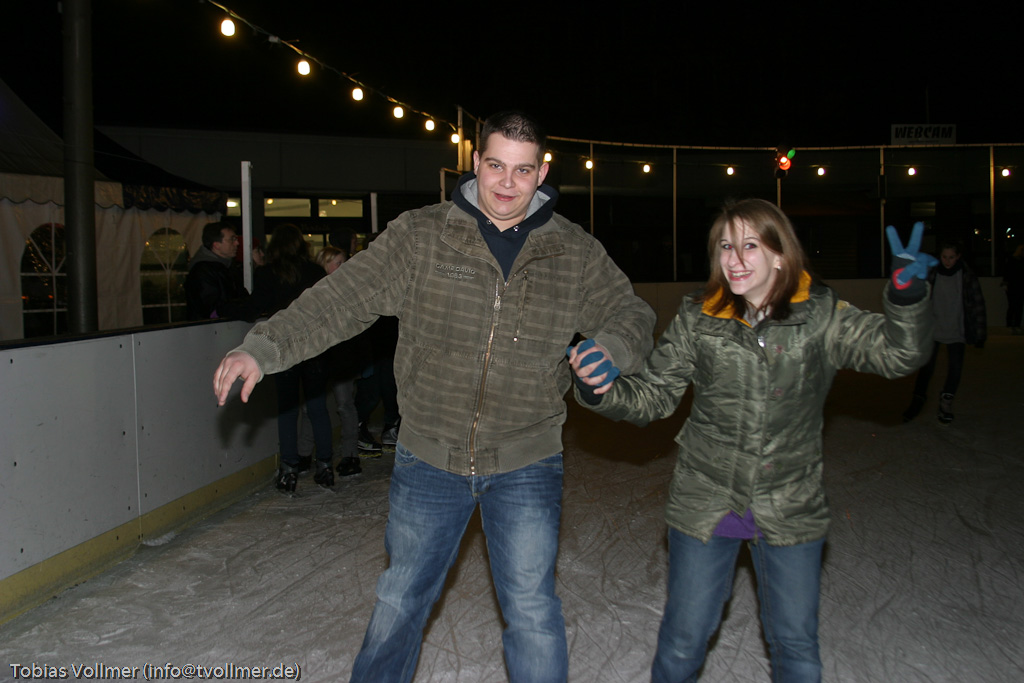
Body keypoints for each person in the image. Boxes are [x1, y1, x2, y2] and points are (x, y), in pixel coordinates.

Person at [212, 111, 655, 682]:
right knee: (400, 603)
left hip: (526, 460)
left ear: (542, 172)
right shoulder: (422, 236)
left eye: (523, 170)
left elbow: (631, 313)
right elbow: (341, 298)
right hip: (430, 458)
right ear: (475, 162)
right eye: (495, 165)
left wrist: (613, 347)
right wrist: (266, 347)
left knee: (532, 612)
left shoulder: (573, 252)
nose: (507, 183)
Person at [568, 200, 933, 683]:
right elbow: (654, 397)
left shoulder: (821, 315)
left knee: (795, 645)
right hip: (706, 499)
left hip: (790, 501)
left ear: (781, 255)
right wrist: (602, 389)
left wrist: (907, 298)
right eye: (725, 246)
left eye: (750, 246)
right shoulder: (699, 318)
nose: (734, 259)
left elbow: (898, 354)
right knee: (683, 640)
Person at [249, 224, 335, 491]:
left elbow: (255, 305)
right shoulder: (314, 272)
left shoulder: (267, 274)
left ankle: (289, 469)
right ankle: (325, 466)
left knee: (287, 410)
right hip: (313, 346)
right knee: (317, 408)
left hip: (283, 347)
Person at [902, 241, 986, 423]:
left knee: (955, 369)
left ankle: (946, 402)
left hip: (957, 330)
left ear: (958, 257)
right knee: (926, 367)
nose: (947, 261)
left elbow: (977, 304)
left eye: (951, 257)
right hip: (933, 330)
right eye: (944, 257)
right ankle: (917, 400)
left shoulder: (967, 276)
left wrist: (980, 333)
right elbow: (919, 300)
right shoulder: (932, 275)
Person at [185, 221, 249, 320]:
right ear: (216, 245)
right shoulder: (202, 271)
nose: (237, 243)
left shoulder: (229, 267)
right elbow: (210, 308)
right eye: (232, 239)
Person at [1001, 244, 1024, 334]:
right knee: (1013, 306)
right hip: (1013, 286)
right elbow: (1007, 273)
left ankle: (1016, 325)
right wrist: (1005, 284)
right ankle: (1010, 325)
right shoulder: (1012, 260)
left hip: (1019, 286)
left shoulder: (1019, 261)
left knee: (1018, 307)